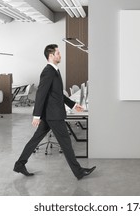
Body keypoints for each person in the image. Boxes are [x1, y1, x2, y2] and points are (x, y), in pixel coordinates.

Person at [13, 44, 96, 180]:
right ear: (51, 56)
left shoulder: (55, 70)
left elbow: (58, 94)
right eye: (58, 53)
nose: (60, 55)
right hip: (53, 115)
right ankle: (78, 172)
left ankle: (19, 164)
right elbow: (41, 94)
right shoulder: (48, 71)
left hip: (50, 114)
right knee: (66, 143)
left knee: (36, 139)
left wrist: (74, 105)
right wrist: (36, 115)